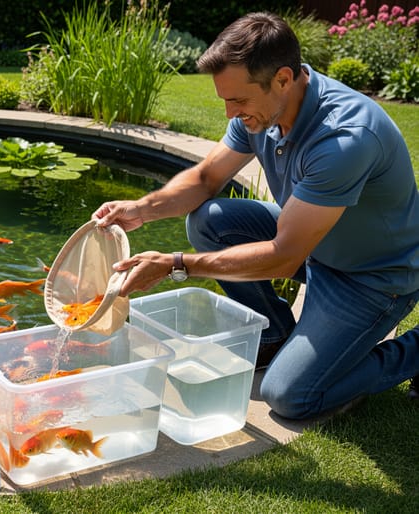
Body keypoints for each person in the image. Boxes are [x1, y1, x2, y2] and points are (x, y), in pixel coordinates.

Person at [92, 12, 419, 420]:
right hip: (315, 245)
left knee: (290, 396)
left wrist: (177, 265)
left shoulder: (344, 139)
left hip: (372, 278)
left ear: (283, 79)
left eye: (239, 100)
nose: (230, 113)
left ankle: (413, 352)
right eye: (225, 100)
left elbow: (283, 256)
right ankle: (275, 332)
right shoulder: (263, 112)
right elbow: (206, 178)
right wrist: (141, 209)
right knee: (209, 220)